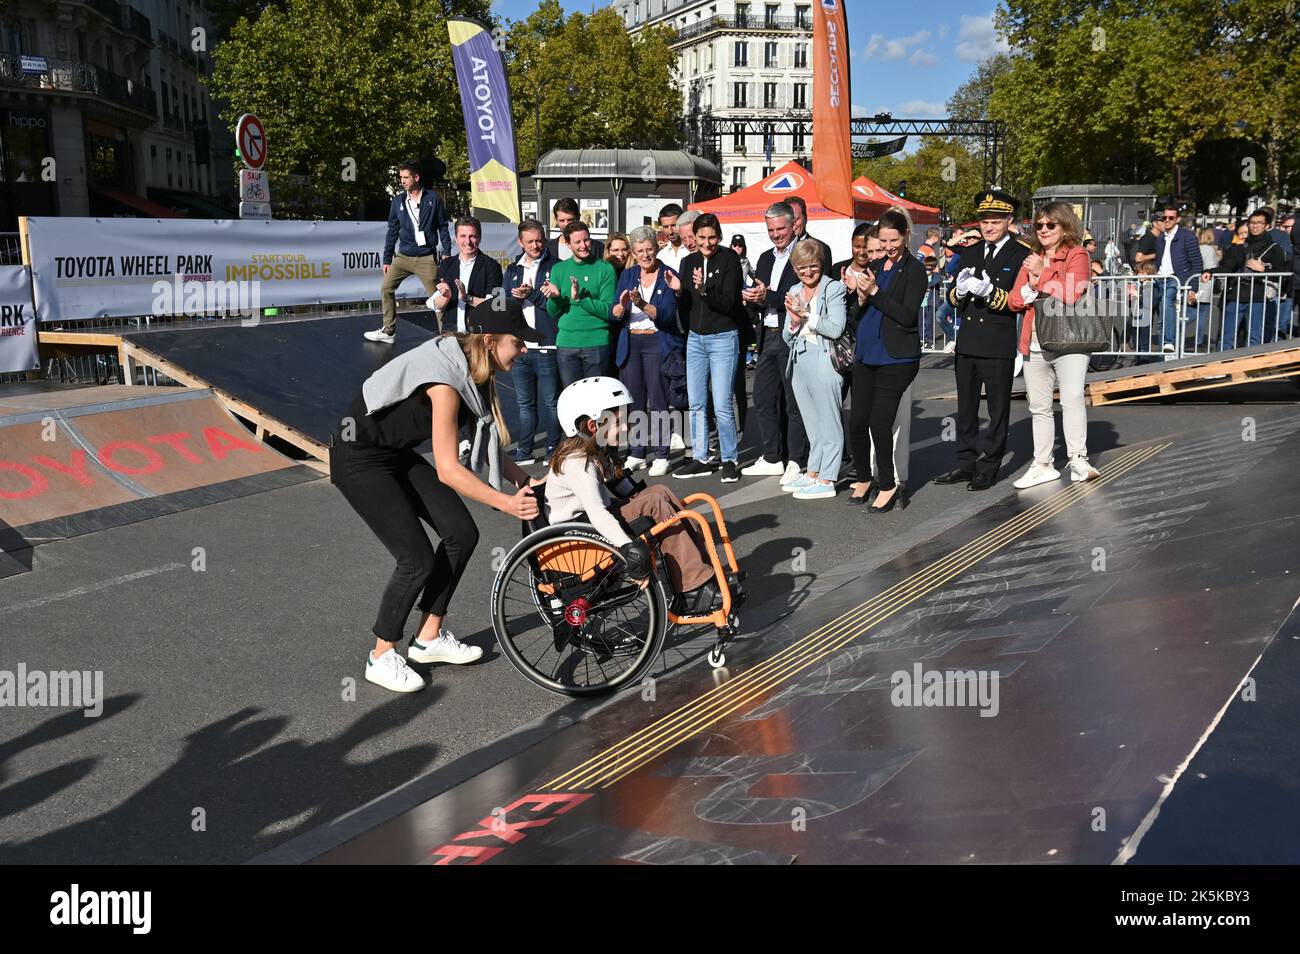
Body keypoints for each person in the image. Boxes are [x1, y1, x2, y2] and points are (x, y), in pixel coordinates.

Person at [331, 300, 542, 693]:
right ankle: (381, 655)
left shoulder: (474, 368)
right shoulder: (445, 381)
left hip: (394, 454)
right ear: (492, 341)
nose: (525, 350)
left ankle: (428, 638)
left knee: (462, 534)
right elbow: (448, 469)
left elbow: (483, 439)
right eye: (519, 342)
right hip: (357, 458)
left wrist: (521, 478)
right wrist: (506, 503)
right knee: (416, 559)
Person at [543, 377, 724, 614]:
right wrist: (628, 547)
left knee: (660, 492)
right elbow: (597, 513)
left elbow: (619, 484)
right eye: (619, 422)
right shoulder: (578, 463)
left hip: (593, 520)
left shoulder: (596, 450)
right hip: (578, 533)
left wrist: (643, 495)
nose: (627, 427)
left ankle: (705, 575)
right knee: (655, 502)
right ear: (592, 426)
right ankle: (692, 586)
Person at [933, 189, 1031, 491]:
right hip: (969, 342)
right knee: (966, 408)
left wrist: (991, 294)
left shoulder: (1020, 254)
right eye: (985, 221)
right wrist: (959, 293)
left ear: (1009, 220)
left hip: (997, 343)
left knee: (997, 409)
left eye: (996, 221)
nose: (988, 227)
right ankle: (965, 462)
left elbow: (1019, 300)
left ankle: (989, 465)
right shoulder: (971, 252)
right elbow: (953, 295)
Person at [1008, 202, 1100, 489]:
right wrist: (1026, 293)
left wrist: (1042, 274)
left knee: (1072, 398)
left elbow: (1072, 293)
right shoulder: (1031, 257)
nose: (1044, 230)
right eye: (1039, 225)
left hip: (1070, 339)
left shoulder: (1077, 254)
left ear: (1065, 226)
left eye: (1051, 225)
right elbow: (1013, 300)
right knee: (1039, 406)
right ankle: (1043, 463)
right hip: (1034, 340)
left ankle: (1078, 459)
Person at [844, 208, 925, 512]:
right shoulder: (876, 265)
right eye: (883, 240)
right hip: (867, 352)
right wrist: (859, 296)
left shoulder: (915, 270)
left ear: (905, 236)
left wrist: (875, 292)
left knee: (880, 422)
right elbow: (857, 313)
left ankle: (888, 485)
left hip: (896, 357)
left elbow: (906, 316)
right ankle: (864, 477)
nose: (889, 246)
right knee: (857, 420)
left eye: (894, 240)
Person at [740, 202, 809, 483]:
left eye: (780, 228)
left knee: (793, 402)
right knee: (764, 397)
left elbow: (795, 295)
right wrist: (754, 298)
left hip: (791, 334)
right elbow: (764, 294)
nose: (776, 234)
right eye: (771, 229)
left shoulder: (803, 254)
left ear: (793, 225)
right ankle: (772, 456)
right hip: (767, 335)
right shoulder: (766, 258)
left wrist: (764, 297)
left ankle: (796, 460)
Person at [675, 212, 746, 482]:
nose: (707, 243)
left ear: (719, 236)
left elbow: (730, 303)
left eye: (712, 237)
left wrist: (705, 289)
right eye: (701, 237)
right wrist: (679, 291)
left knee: (722, 404)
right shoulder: (688, 261)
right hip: (695, 339)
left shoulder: (729, 259)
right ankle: (700, 457)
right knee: (696, 403)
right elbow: (684, 307)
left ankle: (729, 459)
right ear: (694, 237)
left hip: (723, 338)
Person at [610, 226, 682, 477]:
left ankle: (662, 454)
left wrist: (642, 303)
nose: (645, 255)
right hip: (631, 341)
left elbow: (667, 316)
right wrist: (622, 306)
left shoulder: (668, 274)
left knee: (658, 401)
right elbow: (615, 313)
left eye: (649, 249)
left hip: (656, 342)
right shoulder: (628, 275)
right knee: (635, 401)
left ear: (657, 248)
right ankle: (637, 452)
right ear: (633, 252)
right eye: (639, 251)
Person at [780, 241, 847, 500]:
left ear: (821, 265)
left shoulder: (834, 288)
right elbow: (787, 336)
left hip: (825, 358)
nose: (807, 273)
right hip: (800, 359)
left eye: (813, 267)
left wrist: (806, 314)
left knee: (829, 422)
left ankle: (828, 478)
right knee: (811, 424)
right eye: (801, 268)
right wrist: (795, 322)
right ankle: (815, 472)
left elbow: (835, 328)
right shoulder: (794, 289)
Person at [370, 159, 452, 343]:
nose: (402, 181)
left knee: (439, 296)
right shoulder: (397, 201)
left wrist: (446, 251)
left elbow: (443, 226)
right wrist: (387, 259)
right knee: (386, 288)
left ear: (416, 177)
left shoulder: (432, 199)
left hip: (426, 258)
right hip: (403, 257)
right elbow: (392, 231)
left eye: (406, 177)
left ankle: (447, 336)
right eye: (401, 177)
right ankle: (389, 330)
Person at [504, 219, 559, 465]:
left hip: (547, 343)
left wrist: (532, 295)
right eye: (530, 241)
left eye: (539, 240)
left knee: (550, 402)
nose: (535, 245)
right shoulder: (512, 269)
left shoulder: (556, 267)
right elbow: (503, 305)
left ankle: (553, 449)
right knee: (525, 403)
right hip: (520, 347)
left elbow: (557, 307)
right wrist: (514, 298)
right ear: (520, 242)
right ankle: (524, 450)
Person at [546, 220, 618, 386]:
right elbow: (553, 312)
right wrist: (555, 298)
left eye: (586, 240)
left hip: (597, 342)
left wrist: (580, 299)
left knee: (596, 403)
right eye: (577, 242)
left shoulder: (605, 269)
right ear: (568, 245)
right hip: (566, 344)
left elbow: (608, 309)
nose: (583, 245)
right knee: (573, 401)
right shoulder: (559, 269)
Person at [1203, 208, 1288, 348]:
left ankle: (1251, 368)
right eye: (1252, 223)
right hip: (1236, 295)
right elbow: (1227, 267)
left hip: (1258, 296)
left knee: (1254, 337)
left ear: (1267, 226)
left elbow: (1282, 273)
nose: (1255, 226)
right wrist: (1210, 271)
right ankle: (1220, 367)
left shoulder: (1274, 248)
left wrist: (1263, 269)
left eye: (1259, 223)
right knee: (1226, 336)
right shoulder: (1240, 246)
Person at [428, 217, 504, 333]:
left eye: (472, 236)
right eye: (463, 236)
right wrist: (445, 297)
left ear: (479, 238)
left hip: (478, 337)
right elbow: (436, 304)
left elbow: (496, 306)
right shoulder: (446, 264)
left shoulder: (492, 266)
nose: (467, 242)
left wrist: (466, 298)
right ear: (456, 238)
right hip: (450, 335)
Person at [1151, 201, 1202, 354]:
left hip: (1176, 279)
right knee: (1157, 314)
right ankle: (1160, 354)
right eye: (1164, 217)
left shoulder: (1187, 236)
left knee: (1167, 301)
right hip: (1159, 278)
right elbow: (1159, 261)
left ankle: (1169, 341)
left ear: (1178, 219)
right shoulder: (1160, 238)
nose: (1166, 220)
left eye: (1170, 218)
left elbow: (1197, 264)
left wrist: (1193, 287)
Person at [548, 197, 605, 261]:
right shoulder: (548, 249)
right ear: (556, 220)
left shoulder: (598, 248)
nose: (566, 224)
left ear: (578, 217)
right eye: (562, 220)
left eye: (570, 220)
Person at [787, 195, 833, 273]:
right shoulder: (776, 253)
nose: (792, 225)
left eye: (795, 220)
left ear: (805, 218)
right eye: (789, 220)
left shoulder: (821, 248)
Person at [657, 203, 687, 272]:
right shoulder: (661, 255)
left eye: (673, 225)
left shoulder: (692, 250)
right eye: (666, 227)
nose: (670, 231)